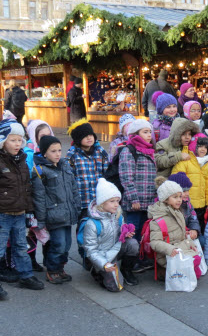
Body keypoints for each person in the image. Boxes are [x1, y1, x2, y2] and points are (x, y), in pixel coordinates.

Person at [0, 119, 44, 301]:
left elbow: (26, 188)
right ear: (2, 140)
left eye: (20, 140)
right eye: (13, 140)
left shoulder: (21, 159)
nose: (18, 144)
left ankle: (25, 276)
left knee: (21, 247)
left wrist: (29, 211)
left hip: (20, 214)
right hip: (1, 216)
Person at [31, 136, 82, 284]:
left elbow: (74, 189)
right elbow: (39, 198)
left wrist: (77, 207)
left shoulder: (65, 166)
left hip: (67, 213)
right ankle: (52, 269)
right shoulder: (40, 171)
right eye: (53, 151)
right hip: (53, 215)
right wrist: (40, 220)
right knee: (58, 244)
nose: (58, 154)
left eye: (59, 150)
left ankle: (60, 268)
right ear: (44, 153)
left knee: (66, 244)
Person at [82, 178, 140, 290]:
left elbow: (121, 235)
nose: (116, 205)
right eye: (112, 201)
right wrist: (104, 264)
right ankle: (97, 270)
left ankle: (126, 270)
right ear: (102, 203)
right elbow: (91, 250)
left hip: (115, 249)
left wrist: (125, 234)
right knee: (115, 287)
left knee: (133, 244)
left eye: (117, 201)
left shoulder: (118, 216)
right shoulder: (92, 223)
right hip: (102, 255)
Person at [148, 180, 202, 281]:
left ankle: (181, 275)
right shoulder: (158, 219)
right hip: (169, 253)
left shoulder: (178, 213)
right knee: (195, 263)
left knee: (197, 261)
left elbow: (182, 235)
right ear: (165, 199)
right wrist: (169, 249)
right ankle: (168, 273)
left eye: (180, 196)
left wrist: (191, 244)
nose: (179, 200)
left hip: (180, 247)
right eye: (175, 197)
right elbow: (154, 242)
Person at [118, 120, 157, 258]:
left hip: (148, 201)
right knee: (131, 232)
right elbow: (127, 177)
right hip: (135, 202)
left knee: (142, 232)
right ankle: (128, 262)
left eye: (149, 132)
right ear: (135, 134)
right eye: (145, 132)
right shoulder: (129, 151)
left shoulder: (150, 150)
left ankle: (139, 259)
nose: (148, 135)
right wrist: (133, 198)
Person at [66, 119, 109, 218]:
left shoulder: (100, 152)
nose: (89, 138)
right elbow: (69, 178)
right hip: (82, 200)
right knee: (83, 226)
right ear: (78, 139)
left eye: (91, 135)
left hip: (99, 199)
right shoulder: (72, 155)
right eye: (85, 136)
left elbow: (107, 173)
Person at [172, 136, 208, 232]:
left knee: (199, 226)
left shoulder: (207, 163)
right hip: (187, 202)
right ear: (194, 147)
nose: (203, 149)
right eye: (200, 146)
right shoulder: (185, 161)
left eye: (205, 147)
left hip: (202, 204)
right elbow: (176, 181)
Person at [167, 172, 202, 243]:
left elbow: (193, 219)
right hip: (172, 240)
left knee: (202, 241)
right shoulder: (166, 207)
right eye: (184, 191)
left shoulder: (188, 204)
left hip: (186, 235)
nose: (187, 194)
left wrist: (194, 230)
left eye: (188, 190)